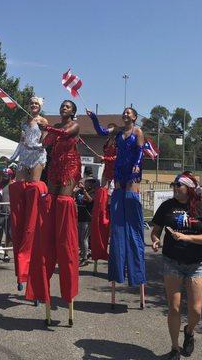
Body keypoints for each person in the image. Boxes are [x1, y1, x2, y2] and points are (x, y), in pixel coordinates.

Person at [27, 100, 82, 325]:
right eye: (62, 106)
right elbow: (44, 143)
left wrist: (47, 127)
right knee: (51, 201)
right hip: (55, 167)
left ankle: (64, 232)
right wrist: (37, 130)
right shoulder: (54, 126)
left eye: (67, 107)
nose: (64, 109)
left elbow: (62, 132)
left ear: (73, 111)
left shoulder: (75, 125)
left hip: (70, 165)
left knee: (63, 201)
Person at [151, 172, 202, 360]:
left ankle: (189, 331)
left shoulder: (201, 208)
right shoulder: (167, 206)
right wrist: (155, 240)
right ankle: (174, 348)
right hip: (172, 262)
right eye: (173, 184)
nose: (174, 187)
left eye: (178, 184)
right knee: (174, 307)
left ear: (188, 188)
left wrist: (187, 237)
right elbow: (156, 231)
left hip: (195, 265)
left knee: (196, 310)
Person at [88, 107, 147, 304]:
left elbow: (140, 151)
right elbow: (102, 132)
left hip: (133, 171)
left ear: (135, 117)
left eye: (129, 113)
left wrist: (137, 166)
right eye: (124, 112)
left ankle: (136, 275)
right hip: (119, 171)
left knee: (130, 207)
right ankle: (117, 270)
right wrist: (95, 118)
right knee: (118, 220)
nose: (126, 114)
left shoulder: (137, 132)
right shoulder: (119, 132)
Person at [8, 96, 48, 290]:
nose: (33, 106)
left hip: (37, 153)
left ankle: (34, 208)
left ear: (40, 107)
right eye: (31, 104)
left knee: (34, 185)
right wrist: (14, 156)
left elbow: (45, 140)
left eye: (36, 104)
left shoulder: (43, 121)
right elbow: (21, 140)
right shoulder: (24, 121)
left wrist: (38, 146)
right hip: (25, 154)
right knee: (19, 183)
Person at [87, 113, 118, 266]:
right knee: (102, 205)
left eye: (110, 129)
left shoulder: (119, 142)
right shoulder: (107, 142)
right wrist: (93, 118)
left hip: (116, 175)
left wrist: (105, 158)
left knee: (112, 206)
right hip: (107, 174)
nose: (107, 131)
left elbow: (118, 158)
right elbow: (100, 130)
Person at [0, 168, 14, 262]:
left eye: (7, 175)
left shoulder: (14, 185)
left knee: (9, 234)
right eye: (3, 175)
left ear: (10, 175)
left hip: (9, 214)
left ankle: (6, 254)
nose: (4, 177)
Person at [75, 177, 96, 267]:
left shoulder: (93, 192)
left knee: (84, 239)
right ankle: (83, 254)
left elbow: (90, 200)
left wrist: (84, 191)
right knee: (80, 239)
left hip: (87, 219)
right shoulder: (80, 191)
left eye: (87, 182)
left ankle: (85, 258)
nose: (85, 183)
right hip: (80, 217)